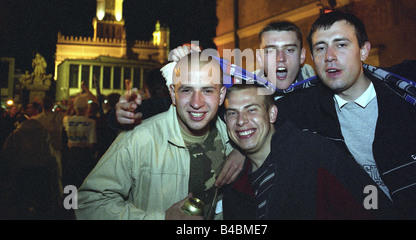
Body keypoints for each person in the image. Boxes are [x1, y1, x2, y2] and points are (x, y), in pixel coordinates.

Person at [275, 11, 416, 219]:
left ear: (364, 51)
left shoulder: (411, 95)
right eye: (320, 48)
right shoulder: (304, 111)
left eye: (341, 45)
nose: (329, 56)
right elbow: (263, 121)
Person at [76, 54, 235, 220]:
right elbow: (88, 203)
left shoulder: (233, 140)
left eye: (207, 90)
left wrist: (241, 152)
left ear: (221, 95)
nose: (196, 102)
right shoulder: (138, 140)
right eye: (186, 90)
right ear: (173, 94)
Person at [222, 84, 395, 219]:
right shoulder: (234, 187)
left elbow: (372, 201)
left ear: (272, 114)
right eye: (232, 113)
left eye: (251, 110)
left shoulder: (313, 153)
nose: (241, 121)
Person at [255, 21, 315, 96]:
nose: (280, 58)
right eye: (271, 51)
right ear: (260, 58)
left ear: (302, 55)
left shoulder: (322, 93)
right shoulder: (244, 96)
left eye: (289, 50)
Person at [62, 94, 97, 188]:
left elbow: (66, 115)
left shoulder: (68, 120)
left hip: (71, 155)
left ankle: (70, 202)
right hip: (85, 157)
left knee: (71, 185)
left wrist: (70, 107)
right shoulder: (91, 123)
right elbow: (92, 143)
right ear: (87, 108)